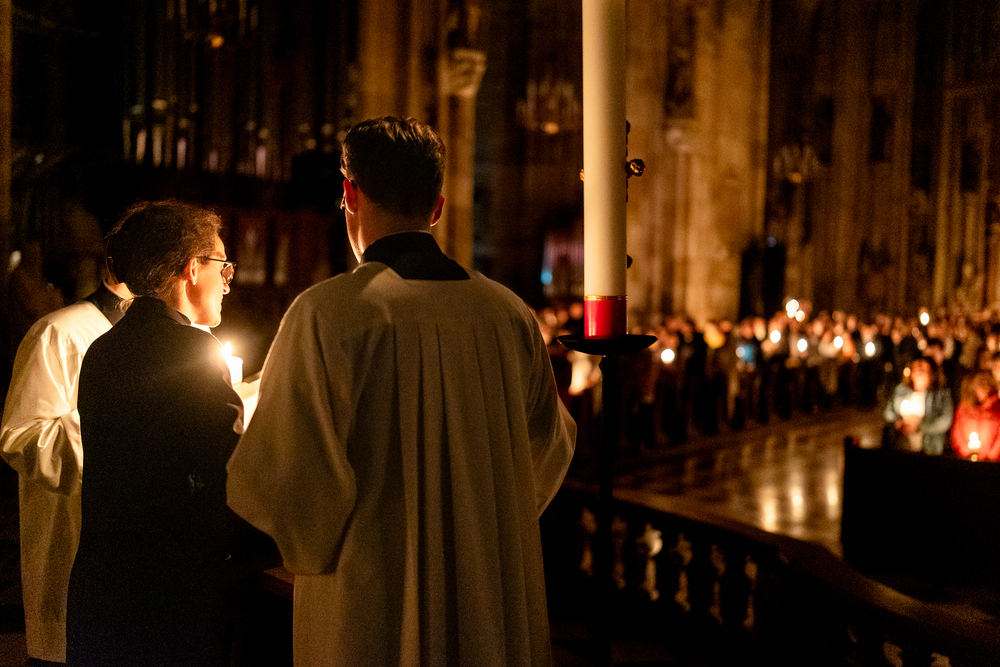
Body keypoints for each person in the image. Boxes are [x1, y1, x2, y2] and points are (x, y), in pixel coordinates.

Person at [226, 116, 577, 666]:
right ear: (437, 207)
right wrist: (479, 516)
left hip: (372, 598)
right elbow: (550, 446)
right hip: (487, 586)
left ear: (349, 194)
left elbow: (290, 479)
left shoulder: (327, 314)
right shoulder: (509, 315)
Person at [66, 200, 244, 666]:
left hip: (103, 583)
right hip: (170, 592)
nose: (228, 282)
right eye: (223, 266)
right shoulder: (192, 351)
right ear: (192, 268)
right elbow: (232, 470)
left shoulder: (103, 349)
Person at [0, 262, 131, 665]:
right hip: (72, 553)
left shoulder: (192, 339)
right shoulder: (60, 333)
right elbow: (22, 438)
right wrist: (125, 418)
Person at [883, 356, 953, 455]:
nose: (919, 371)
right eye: (916, 368)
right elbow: (888, 413)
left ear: (932, 373)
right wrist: (900, 421)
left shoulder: (941, 394)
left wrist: (920, 427)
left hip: (930, 448)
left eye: (923, 369)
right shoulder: (901, 390)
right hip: (903, 445)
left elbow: (945, 420)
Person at [951, 370, 1000, 461]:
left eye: (988, 383)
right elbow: (957, 432)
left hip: (991, 461)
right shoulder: (964, 407)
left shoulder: (998, 407)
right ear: (973, 386)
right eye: (981, 383)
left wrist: (992, 456)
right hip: (967, 459)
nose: (985, 387)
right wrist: (966, 452)